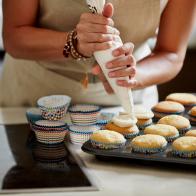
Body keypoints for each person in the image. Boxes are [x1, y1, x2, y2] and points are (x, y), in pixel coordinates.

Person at [0, 0, 195, 108]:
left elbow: (171, 54)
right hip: (36, 96)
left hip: (129, 102)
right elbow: (14, 35)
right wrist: (73, 43)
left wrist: (131, 75)